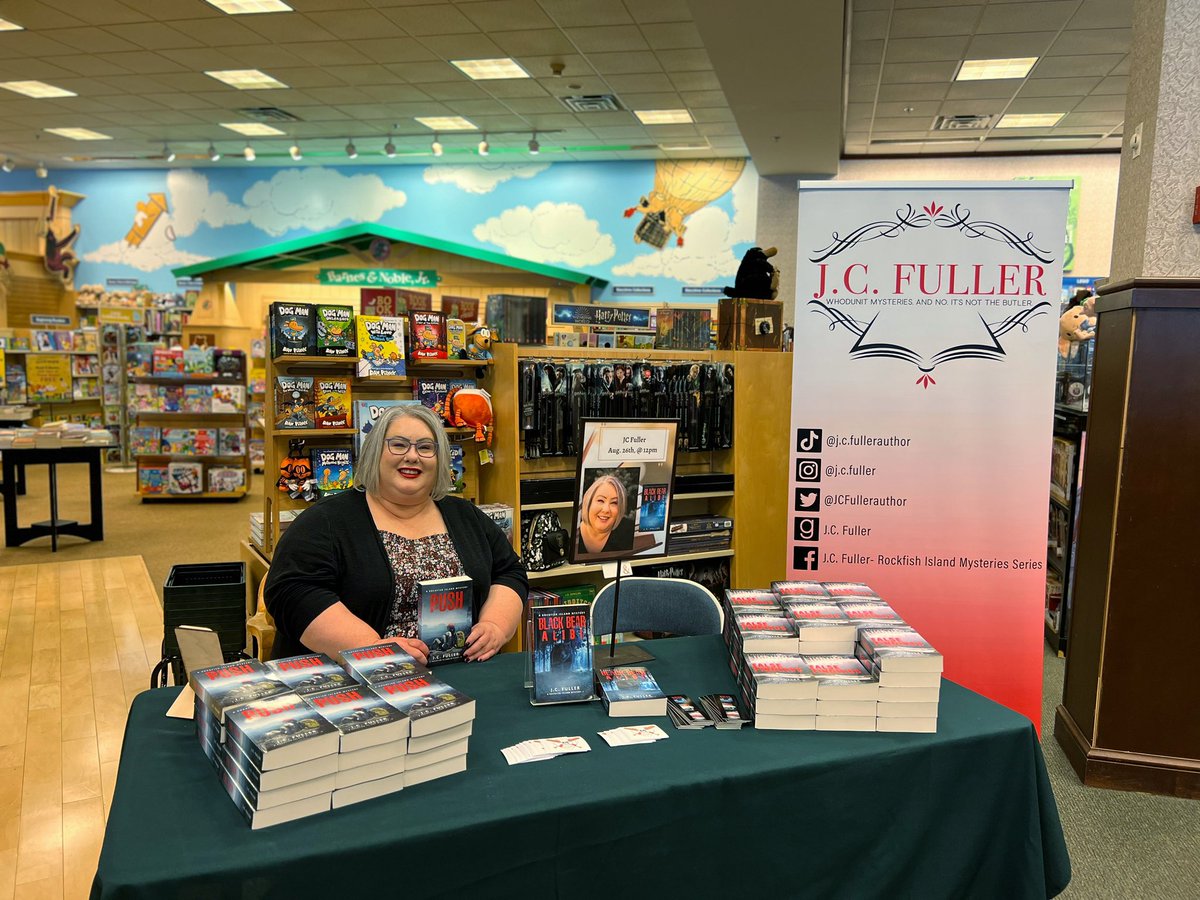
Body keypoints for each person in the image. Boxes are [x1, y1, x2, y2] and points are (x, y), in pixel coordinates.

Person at [265, 404, 527, 665]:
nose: (412, 456)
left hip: (464, 673)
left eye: (425, 447)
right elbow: (292, 593)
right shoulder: (325, 521)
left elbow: (509, 571)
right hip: (358, 677)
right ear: (375, 453)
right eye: (399, 445)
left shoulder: (466, 515)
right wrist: (370, 648)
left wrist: (496, 626)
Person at [576, 473, 635, 556]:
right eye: (600, 500)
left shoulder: (629, 532)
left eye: (614, 503)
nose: (606, 509)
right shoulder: (573, 529)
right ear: (589, 502)